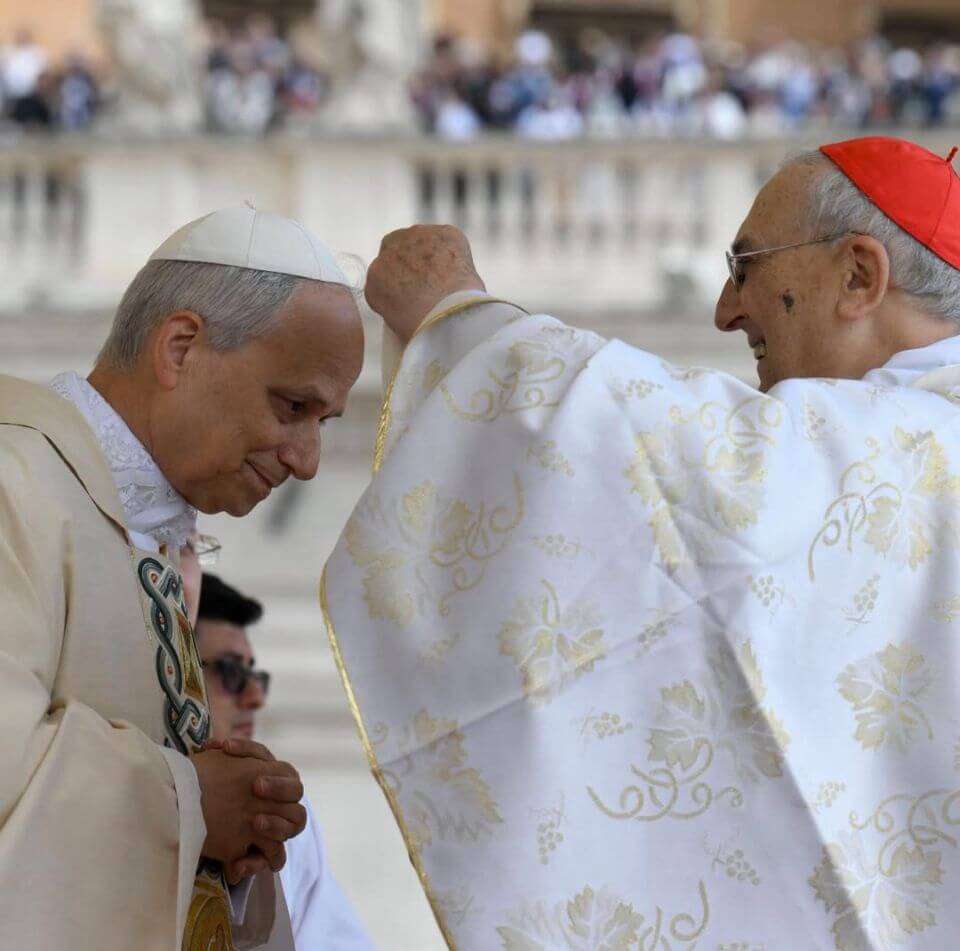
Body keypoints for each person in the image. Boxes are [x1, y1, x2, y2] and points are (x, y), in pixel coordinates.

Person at [323, 136, 960, 948]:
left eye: (747, 264)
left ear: (859, 276)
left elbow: (638, 452)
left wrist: (456, 318)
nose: (726, 309)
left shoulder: (905, 449)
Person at [0, 206, 364, 950]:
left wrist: (235, 844)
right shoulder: (17, 483)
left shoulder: (152, 539)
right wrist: (192, 802)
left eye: (324, 423)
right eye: (293, 406)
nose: (307, 460)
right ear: (181, 347)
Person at [195, 573, 374, 950]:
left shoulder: (278, 808)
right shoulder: (116, 786)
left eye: (253, 674)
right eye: (229, 672)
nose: (255, 696)